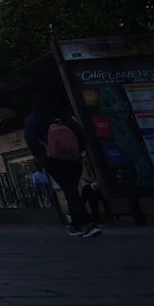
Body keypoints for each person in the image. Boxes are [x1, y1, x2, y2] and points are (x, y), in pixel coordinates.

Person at [24, 91, 101, 238]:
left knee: (70, 190)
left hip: (53, 160)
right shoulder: (66, 118)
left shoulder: (33, 120)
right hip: (73, 159)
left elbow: (31, 141)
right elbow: (82, 136)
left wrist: (42, 155)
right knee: (71, 189)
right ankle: (76, 226)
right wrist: (77, 152)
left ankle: (89, 224)